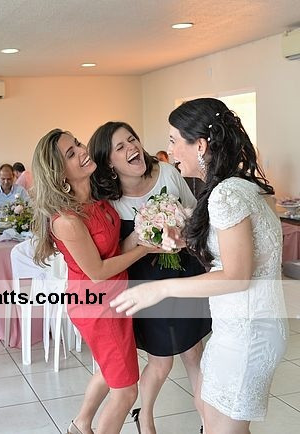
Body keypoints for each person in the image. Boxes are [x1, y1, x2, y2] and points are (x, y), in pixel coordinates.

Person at [111, 98, 288, 434]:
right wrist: (184, 239)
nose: (169, 151)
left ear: (201, 145)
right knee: (214, 415)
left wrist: (160, 289)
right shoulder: (239, 184)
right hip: (245, 325)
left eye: (174, 140)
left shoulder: (226, 195)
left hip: (246, 332)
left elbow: (236, 276)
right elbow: (235, 249)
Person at [31, 128, 162, 434]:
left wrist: (147, 230)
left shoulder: (96, 200)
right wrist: (145, 249)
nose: (82, 150)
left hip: (115, 297)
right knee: (126, 390)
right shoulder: (67, 220)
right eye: (71, 153)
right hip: (98, 308)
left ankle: (80, 425)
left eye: (77, 143)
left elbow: (115, 250)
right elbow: (98, 272)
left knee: (109, 370)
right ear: (59, 173)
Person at [88, 121, 211, 434]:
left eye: (132, 139)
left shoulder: (167, 173)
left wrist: (179, 229)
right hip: (145, 283)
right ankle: (145, 416)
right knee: (161, 360)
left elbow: (194, 214)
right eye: (120, 147)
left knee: (194, 352)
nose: (132, 147)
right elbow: (114, 252)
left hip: (184, 273)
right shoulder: (108, 200)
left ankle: (209, 424)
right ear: (109, 163)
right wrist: (145, 233)